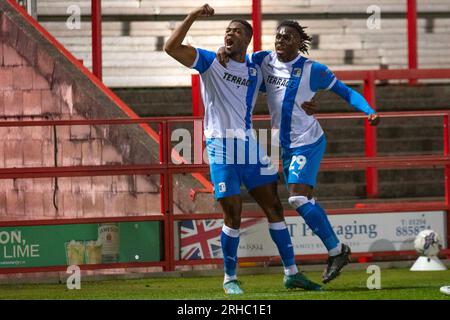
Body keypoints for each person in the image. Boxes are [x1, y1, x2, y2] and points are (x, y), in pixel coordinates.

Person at [164, 5, 323, 294]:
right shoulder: (211, 61)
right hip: (220, 147)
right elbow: (170, 47)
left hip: (249, 146)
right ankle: (230, 278)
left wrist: (309, 102)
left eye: (237, 31)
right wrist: (193, 16)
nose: (230, 34)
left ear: (247, 40)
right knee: (233, 212)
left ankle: (292, 274)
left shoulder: (255, 68)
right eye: (227, 30)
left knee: (274, 206)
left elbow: (286, 80)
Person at [218, 20, 380, 284]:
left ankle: (336, 251)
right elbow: (240, 64)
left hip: (308, 140)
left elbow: (346, 92)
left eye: (287, 38)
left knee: (297, 199)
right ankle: (335, 252)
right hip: (283, 144)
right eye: (278, 37)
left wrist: (369, 111)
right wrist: (221, 51)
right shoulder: (263, 60)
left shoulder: (312, 69)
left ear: (298, 43)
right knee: (299, 199)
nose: (280, 41)